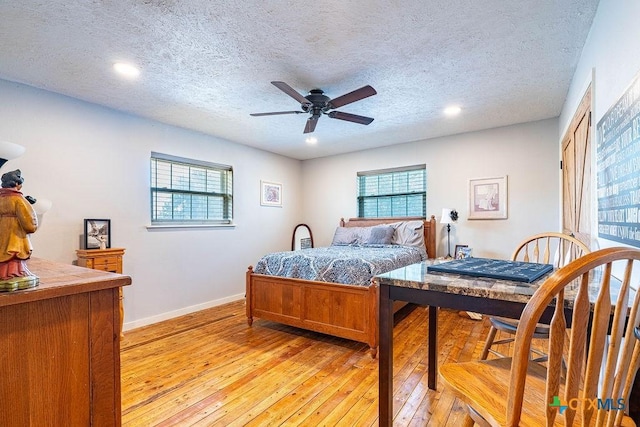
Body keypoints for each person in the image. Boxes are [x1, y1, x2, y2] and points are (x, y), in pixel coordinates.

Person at [0, 169, 38, 284]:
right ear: (16, 184)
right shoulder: (17, 199)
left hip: (2, 230)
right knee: (14, 251)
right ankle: (14, 273)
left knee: (3, 250)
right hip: (15, 231)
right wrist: (31, 226)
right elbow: (28, 220)